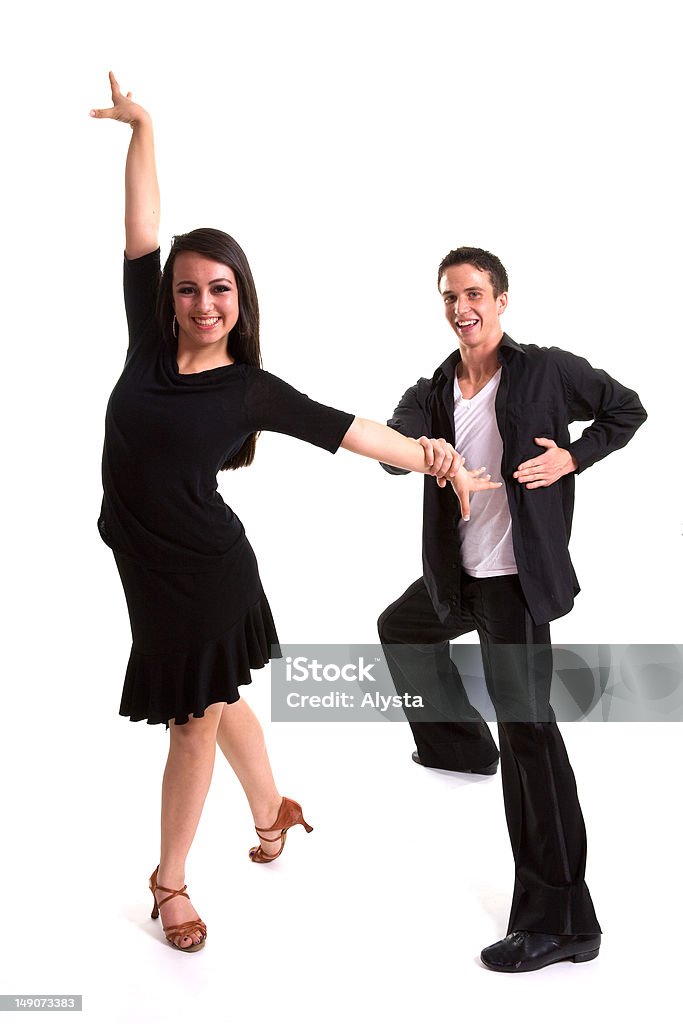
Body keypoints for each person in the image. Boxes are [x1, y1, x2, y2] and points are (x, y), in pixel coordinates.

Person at [90, 74, 498, 954]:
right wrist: (143, 129)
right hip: (148, 568)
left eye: (221, 290)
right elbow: (141, 231)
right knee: (214, 695)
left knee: (193, 719)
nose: (202, 303)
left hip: (206, 571)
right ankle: (273, 807)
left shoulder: (250, 389)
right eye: (190, 289)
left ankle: (168, 884)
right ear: (170, 297)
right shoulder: (147, 343)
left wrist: (432, 452)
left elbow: (348, 430)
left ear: (243, 299)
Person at [377, 245, 647, 972]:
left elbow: (626, 409)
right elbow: (391, 447)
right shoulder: (435, 388)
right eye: (447, 296)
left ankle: (562, 922)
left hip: (512, 585)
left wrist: (572, 457)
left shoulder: (547, 370)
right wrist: (427, 451)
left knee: (530, 737)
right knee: (399, 627)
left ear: (499, 300)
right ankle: (459, 747)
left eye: (472, 293)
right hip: (456, 577)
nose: (460, 307)